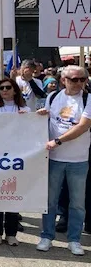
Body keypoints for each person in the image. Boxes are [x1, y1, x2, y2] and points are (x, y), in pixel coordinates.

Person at [36, 65, 91, 256]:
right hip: (54, 158)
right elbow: (46, 119)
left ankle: (74, 239)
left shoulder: (88, 99)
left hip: (79, 159)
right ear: (63, 80)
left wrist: (58, 141)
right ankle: (46, 235)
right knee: (49, 201)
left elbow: (83, 126)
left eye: (82, 79)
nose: (79, 83)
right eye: (74, 79)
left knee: (77, 203)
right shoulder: (53, 97)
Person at [0, 78, 29, 246]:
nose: (4, 90)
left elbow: (30, 131)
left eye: (8, 87)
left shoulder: (25, 110)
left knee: (13, 196)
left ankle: (11, 234)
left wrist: (32, 118)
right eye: (1, 88)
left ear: (15, 90)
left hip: (17, 158)